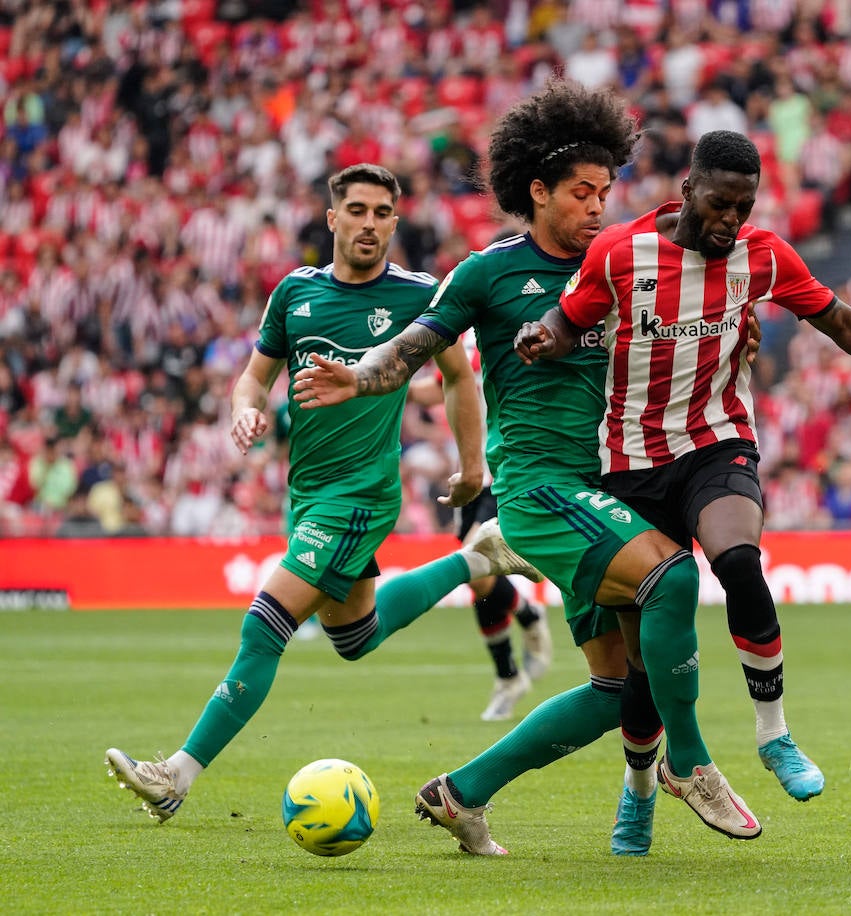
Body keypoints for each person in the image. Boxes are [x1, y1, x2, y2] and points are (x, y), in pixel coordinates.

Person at [291, 82, 759, 857]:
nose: (598, 207)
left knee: (618, 687)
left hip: (615, 490)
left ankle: (462, 792)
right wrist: (361, 375)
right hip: (547, 489)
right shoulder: (489, 273)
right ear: (536, 191)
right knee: (673, 578)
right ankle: (692, 762)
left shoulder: (625, 265)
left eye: (606, 192)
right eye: (582, 192)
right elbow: (412, 345)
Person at [514, 130, 851, 806]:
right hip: (631, 461)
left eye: (743, 207)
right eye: (720, 205)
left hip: (718, 440)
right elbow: (570, 318)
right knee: (645, 670)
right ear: (689, 190)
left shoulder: (762, 254)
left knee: (738, 559)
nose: (731, 221)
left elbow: (840, 322)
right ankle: (638, 792)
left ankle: (774, 733)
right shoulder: (621, 251)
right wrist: (545, 335)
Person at [104, 163, 542, 822]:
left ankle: (176, 775)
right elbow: (253, 379)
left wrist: (473, 467)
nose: (369, 224)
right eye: (357, 210)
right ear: (332, 219)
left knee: (265, 626)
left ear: (395, 222)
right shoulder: (294, 293)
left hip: (362, 493)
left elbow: (459, 377)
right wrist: (243, 410)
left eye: (382, 213)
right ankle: (478, 557)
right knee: (354, 635)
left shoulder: (420, 295)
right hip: (306, 494)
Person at [409, 367, 554, 722]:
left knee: (475, 568)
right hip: (467, 476)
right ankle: (511, 667)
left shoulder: (504, 328)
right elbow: (437, 388)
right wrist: (392, 381)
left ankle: (514, 659)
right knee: (480, 581)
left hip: (501, 471)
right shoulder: (461, 339)